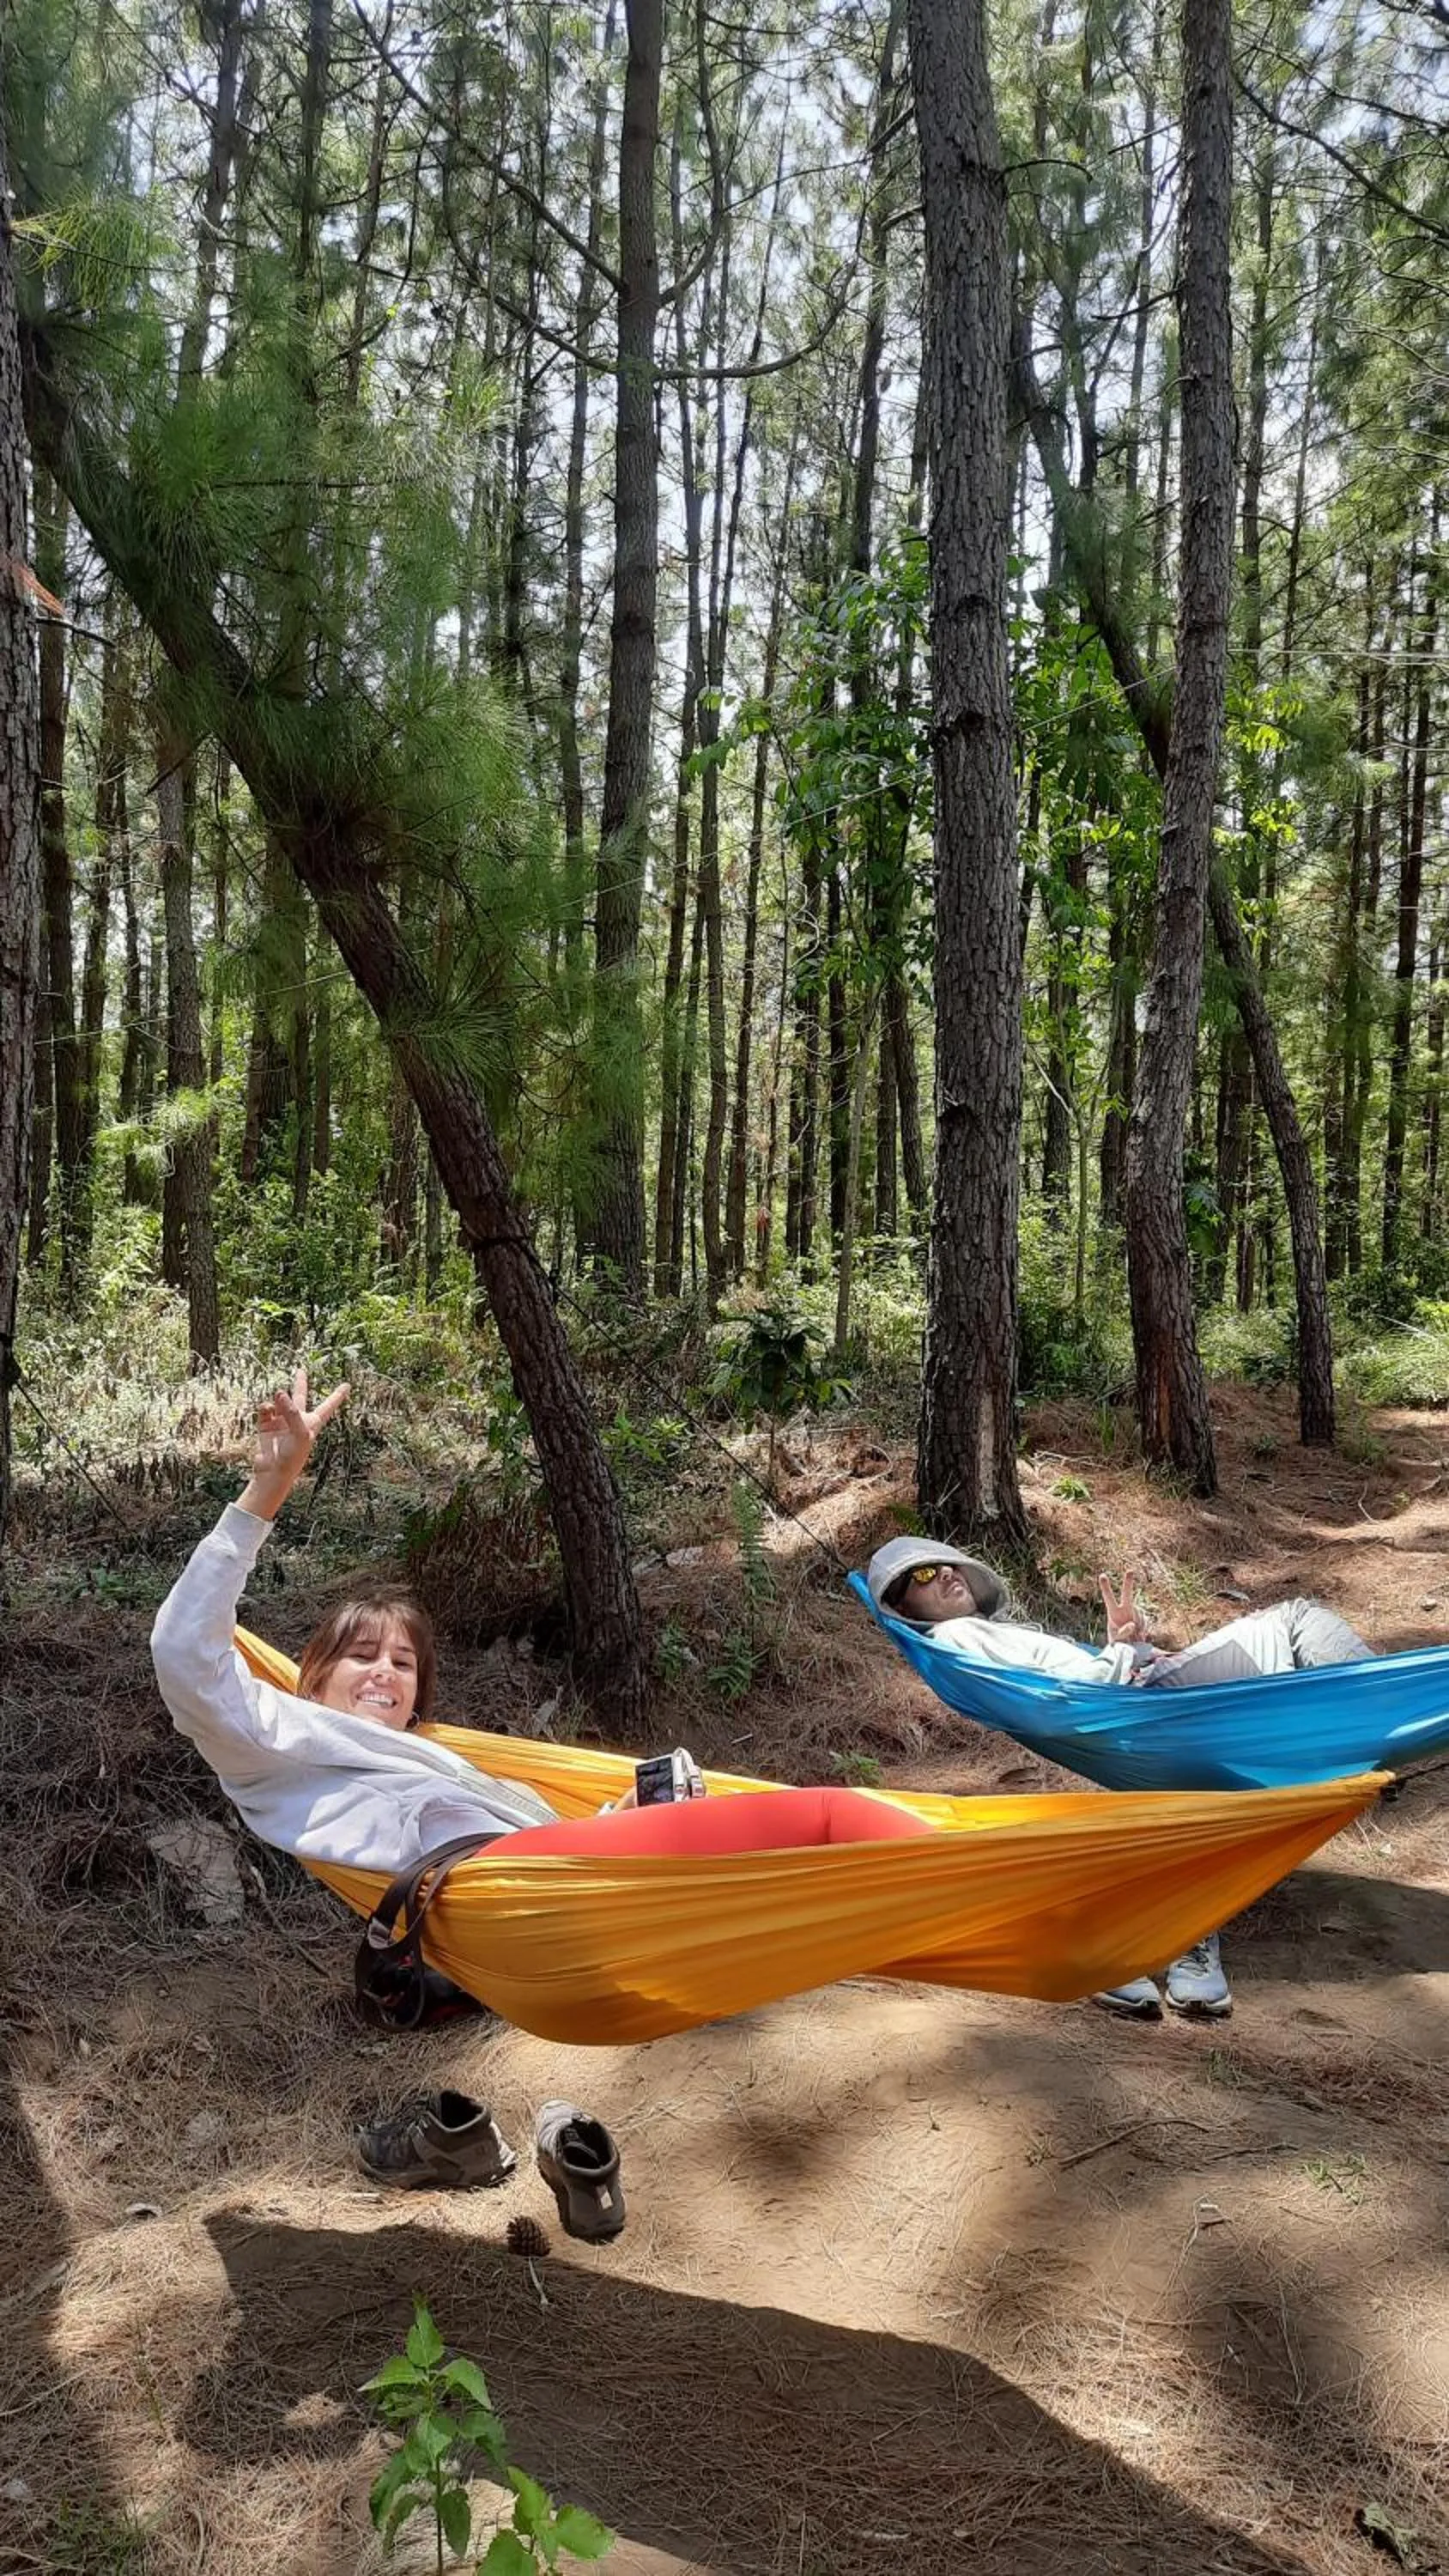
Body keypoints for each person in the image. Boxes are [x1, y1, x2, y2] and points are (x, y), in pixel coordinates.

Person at [864, 1537, 1377, 2020]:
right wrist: (1122, 1654)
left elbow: (1063, 1685)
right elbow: (1062, 1699)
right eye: (923, 1576)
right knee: (1296, 1620)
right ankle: (1381, 1722)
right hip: (1135, 1699)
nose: (944, 1574)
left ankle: (1159, 1938)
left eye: (945, 1564)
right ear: (904, 1606)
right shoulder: (960, 1635)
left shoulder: (977, 1635)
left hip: (1134, 1699)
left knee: (1207, 1775)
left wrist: (1123, 1645)